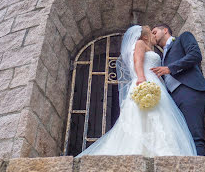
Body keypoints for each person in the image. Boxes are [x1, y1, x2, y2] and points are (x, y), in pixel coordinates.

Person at [75, 25, 197, 157]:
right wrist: (141, 78)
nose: (154, 35)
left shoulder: (150, 48)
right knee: (145, 115)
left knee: (159, 115)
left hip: (156, 84)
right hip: (145, 80)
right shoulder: (140, 43)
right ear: (145, 36)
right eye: (152, 33)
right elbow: (137, 61)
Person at [151, 24, 205, 156]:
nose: (153, 35)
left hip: (188, 90)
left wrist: (170, 68)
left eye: (154, 32)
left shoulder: (183, 37)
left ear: (165, 30)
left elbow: (195, 55)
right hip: (172, 99)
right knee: (181, 139)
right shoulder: (161, 56)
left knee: (195, 136)